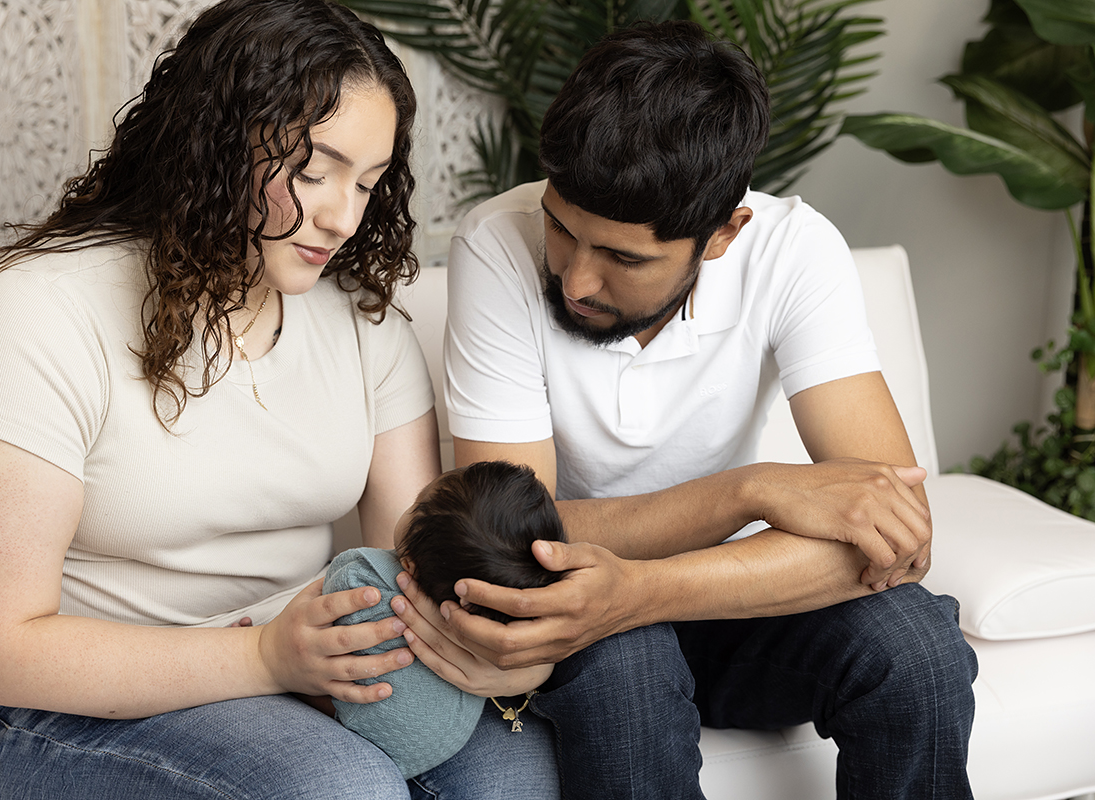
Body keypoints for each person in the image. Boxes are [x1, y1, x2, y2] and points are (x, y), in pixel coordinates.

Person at [0, 1, 558, 797]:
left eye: (369, 183)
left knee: (516, 772)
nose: (343, 217)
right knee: (338, 789)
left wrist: (494, 641)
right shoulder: (33, 314)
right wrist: (264, 656)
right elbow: (4, 651)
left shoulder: (358, 318)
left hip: (302, 659)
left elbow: (414, 561)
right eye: (313, 173)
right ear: (213, 143)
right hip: (48, 698)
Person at [388, 20, 980, 800]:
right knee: (625, 663)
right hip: (586, 623)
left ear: (724, 233)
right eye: (563, 231)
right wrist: (752, 490)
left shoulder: (795, 253)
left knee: (918, 647)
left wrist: (645, 587)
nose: (576, 281)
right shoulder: (496, 246)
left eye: (624, 258)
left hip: (728, 605)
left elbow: (896, 534)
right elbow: (509, 535)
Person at [324, 460, 567, 779]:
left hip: (373, 736)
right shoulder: (501, 616)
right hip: (447, 740)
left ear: (409, 566)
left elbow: (320, 613)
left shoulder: (362, 574)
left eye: (416, 504)